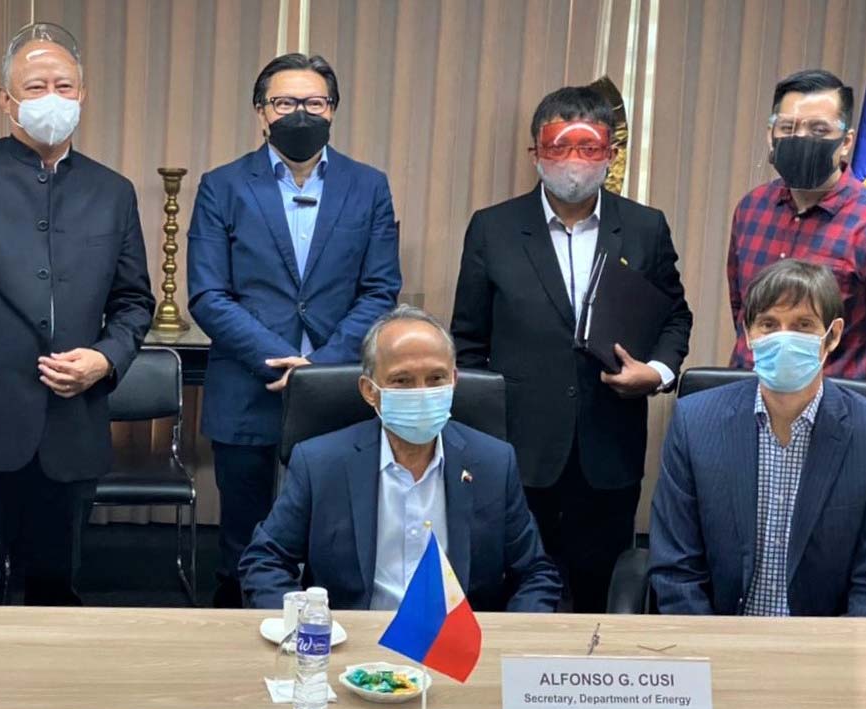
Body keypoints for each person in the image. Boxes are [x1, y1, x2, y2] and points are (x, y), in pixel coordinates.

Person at [0, 23, 154, 606]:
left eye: (64, 85)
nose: (52, 98)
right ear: (6, 101)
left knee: (55, 591)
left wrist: (106, 358)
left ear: (83, 95)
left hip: (73, 426)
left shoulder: (112, 191)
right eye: (35, 86)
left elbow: (133, 302)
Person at [451, 85, 692, 613]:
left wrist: (656, 372)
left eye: (589, 147)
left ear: (610, 154)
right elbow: (467, 342)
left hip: (609, 445)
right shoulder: (492, 228)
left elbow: (675, 317)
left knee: (596, 593)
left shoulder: (646, 228)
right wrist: (480, 439)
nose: (574, 161)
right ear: (536, 153)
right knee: (514, 586)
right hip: (517, 448)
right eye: (559, 146)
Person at [188, 53, 401, 607]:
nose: (299, 113)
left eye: (313, 102)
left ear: (332, 111)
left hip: (339, 391)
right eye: (285, 102)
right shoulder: (223, 186)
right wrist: (283, 359)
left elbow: (380, 290)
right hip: (249, 388)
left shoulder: (368, 186)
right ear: (262, 113)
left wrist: (320, 369)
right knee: (243, 539)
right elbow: (209, 295)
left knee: (335, 535)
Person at [239, 306, 559, 611]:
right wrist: (308, 631)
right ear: (369, 390)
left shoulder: (493, 463)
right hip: (353, 648)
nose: (421, 392)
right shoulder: (321, 463)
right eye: (402, 381)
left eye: (436, 379)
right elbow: (264, 561)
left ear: (454, 381)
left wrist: (506, 644)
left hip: (456, 651)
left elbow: (535, 574)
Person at [651, 260, 866, 616]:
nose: (784, 338)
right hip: (718, 643)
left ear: (833, 335)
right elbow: (676, 571)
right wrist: (711, 655)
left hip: (824, 650)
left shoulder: (860, 431)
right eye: (769, 324)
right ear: (749, 333)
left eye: (803, 325)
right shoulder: (695, 423)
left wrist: (831, 662)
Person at [728, 69, 866, 379]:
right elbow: (743, 312)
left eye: (818, 130)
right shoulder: (752, 208)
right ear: (770, 134)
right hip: (749, 398)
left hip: (838, 411)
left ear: (846, 142)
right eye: (788, 127)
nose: (801, 138)